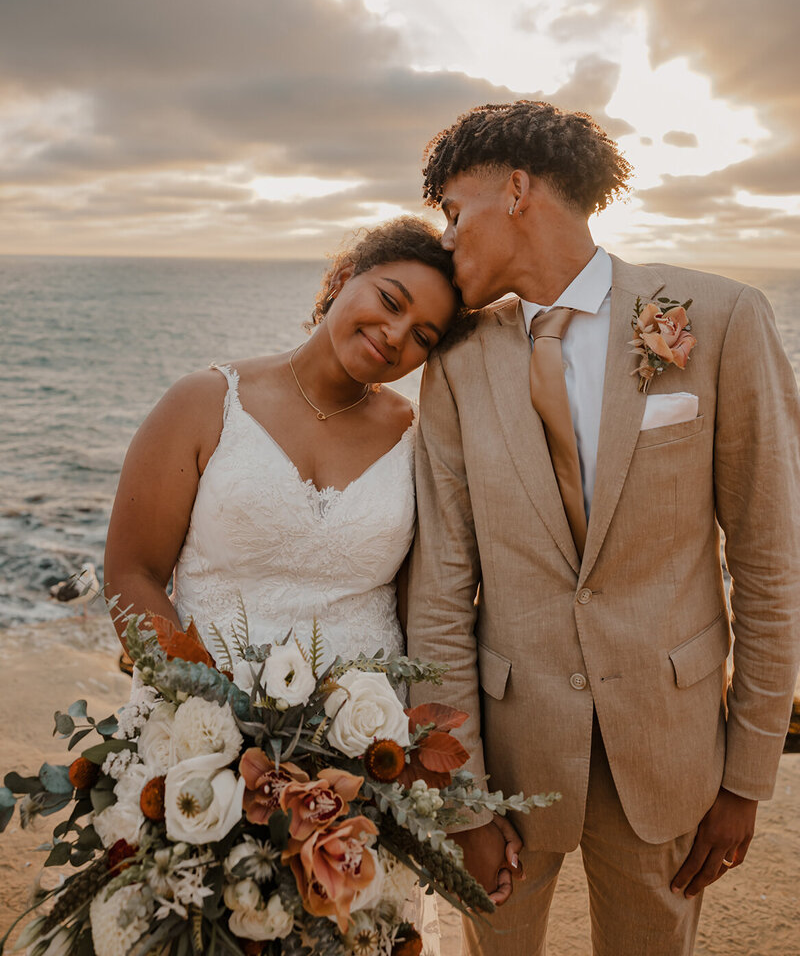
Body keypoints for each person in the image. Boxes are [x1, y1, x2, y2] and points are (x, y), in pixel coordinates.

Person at [406, 101, 800, 956]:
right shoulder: (459, 361)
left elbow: (770, 562)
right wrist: (461, 795)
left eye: (453, 211)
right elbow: (438, 588)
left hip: (670, 748)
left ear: (516, 190)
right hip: (507, 756)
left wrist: (748, 778)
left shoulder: (719, 318)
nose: (446, 239)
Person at [104, 215, 461, 674]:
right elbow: (133, 574)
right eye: (391, 301)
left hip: (369, 733)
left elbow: (423, 607)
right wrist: (201, 705)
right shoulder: (205, 402)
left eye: (421, 336)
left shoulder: (417, 437)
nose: (395, 334)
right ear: (343, 277)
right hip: (208, 728)